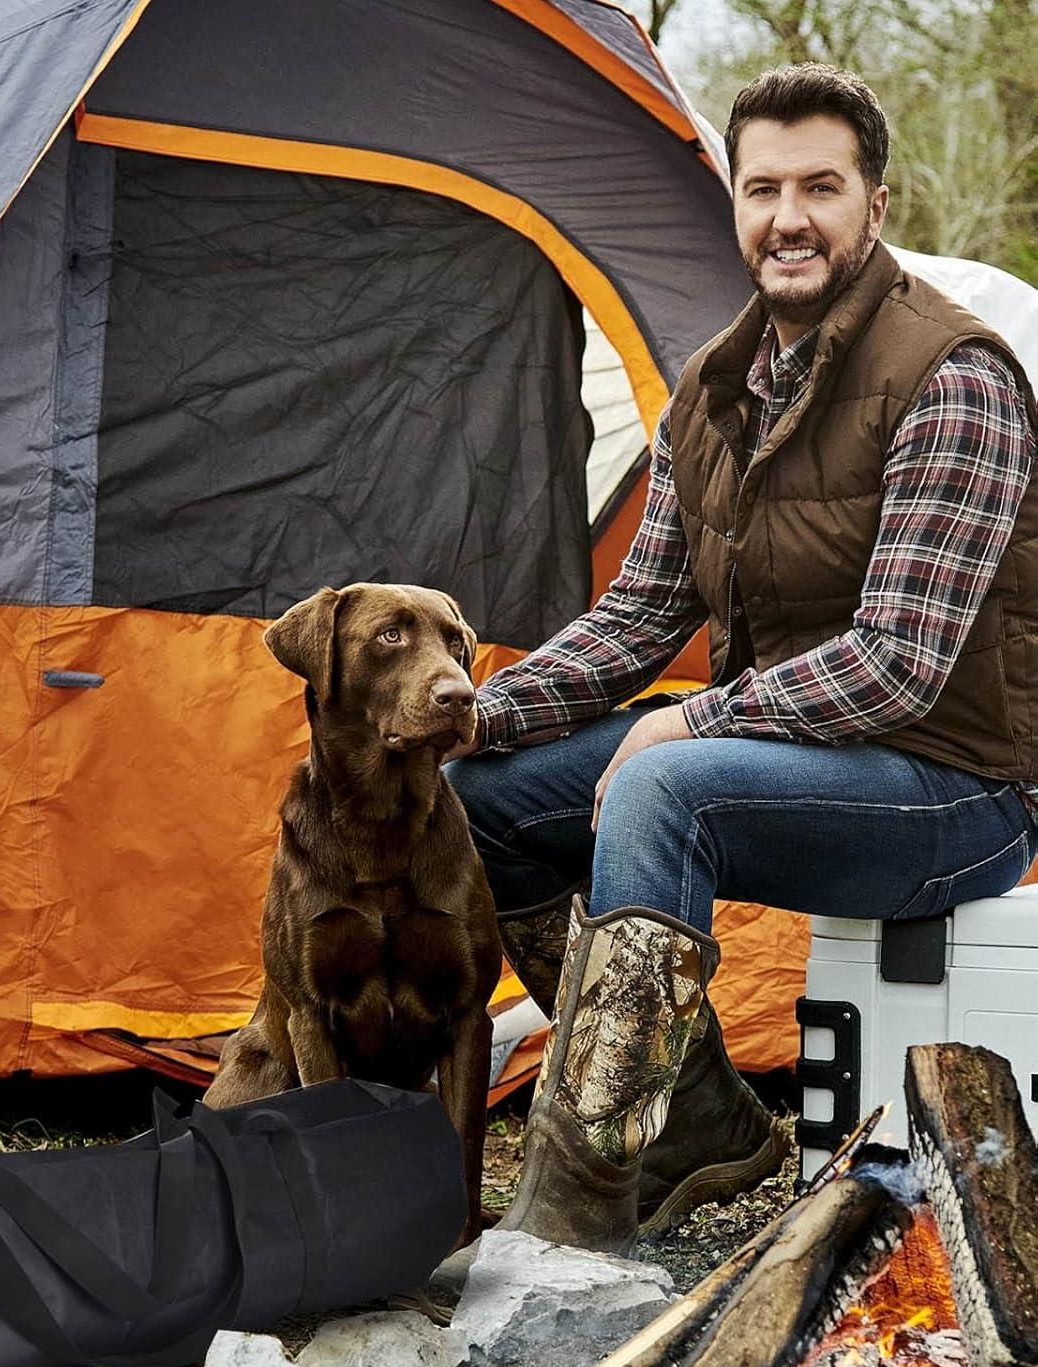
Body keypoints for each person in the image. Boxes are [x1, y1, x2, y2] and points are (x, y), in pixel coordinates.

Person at [445, 62, 1038, 1255]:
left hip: (958, 788)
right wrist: (475, 712)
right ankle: (695, 1124)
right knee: (482, 801)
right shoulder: (715, 391)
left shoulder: (954, 378)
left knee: (668, 778)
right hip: (799, 757)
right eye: (763, 188)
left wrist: (691, 725)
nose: (789, 218)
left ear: (877, 203)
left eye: (821, 185)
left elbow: (897, 668)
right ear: (733, 204)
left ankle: (581, 1196)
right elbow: (637, 621)